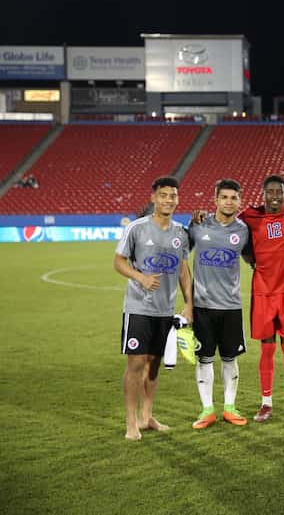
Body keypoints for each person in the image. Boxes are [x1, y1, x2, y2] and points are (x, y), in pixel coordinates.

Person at [191, 174, 284, 422]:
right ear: (262, 195)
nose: (275, 196)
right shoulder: (248, 218)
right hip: (263, 292)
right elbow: (246, 249)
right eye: (270, 192)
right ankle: (266, 404)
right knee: (266, 349)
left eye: (280, 192)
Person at [114, 175, 192, 440]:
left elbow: (183, 270)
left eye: (173, 195)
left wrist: (189, 303)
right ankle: (131, 421)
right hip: (138, 308)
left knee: (155, 364)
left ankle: (147, 416)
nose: (168, 200)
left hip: (165, 310)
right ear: (153, 197)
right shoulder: (136, 228)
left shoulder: (181, 233)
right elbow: (119, 262)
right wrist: (141, 278)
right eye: (163, 195)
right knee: (136, 363)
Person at [189, 179, 250, 429]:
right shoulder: (197, 225)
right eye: (224, 197)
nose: (228, 202)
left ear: (239, 201)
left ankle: (229, 407)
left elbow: (255, 259)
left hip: (230, 306)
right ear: (215, 199)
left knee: (229, 358)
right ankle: (207, 410)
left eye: (233, 198)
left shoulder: (244, 230)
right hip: (202, 306)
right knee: (204, 358)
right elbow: (180, 256)